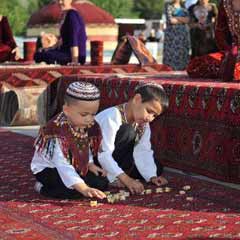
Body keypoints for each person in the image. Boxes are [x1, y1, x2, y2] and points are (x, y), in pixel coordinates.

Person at [31, 81, 107, 199]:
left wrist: (90, 164)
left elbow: (85, 146)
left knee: (101, 183)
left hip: (75, 166)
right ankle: (41, 187)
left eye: (93, 114)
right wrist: (84, 188)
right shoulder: (56, 130)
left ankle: (79, 185)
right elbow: (62, 164)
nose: (89, 119)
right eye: (84, 114)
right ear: (66, 110)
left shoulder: (89, 125)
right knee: (73, 191)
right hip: (50, 169)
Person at [95, 83, 169, 195]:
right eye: (149, 111)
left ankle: (120, 174)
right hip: (96, 162)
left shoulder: (143, 122)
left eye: (154, 116)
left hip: (119, 160)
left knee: (157, 168)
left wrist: (151, 176)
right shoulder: (111, 117)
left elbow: (143, 150)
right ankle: (113, 177)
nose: (150, 118)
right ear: (137, 99)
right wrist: (127, 180)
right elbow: (104, 154)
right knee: (127, 131)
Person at [187, 0, 240, 80]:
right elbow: (220, 31)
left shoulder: (213, 7)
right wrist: (227, 51)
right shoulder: (225, 3)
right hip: (235, 49)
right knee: (198, 65)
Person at [34, 0, 87, 65]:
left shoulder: (72, 15)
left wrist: (75, 61)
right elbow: (63, 39)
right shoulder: (65, 15)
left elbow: (74, 38)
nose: (60, 2)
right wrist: (49, 49)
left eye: (62, 0)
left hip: (74, 55)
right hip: (65, 52)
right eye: (58, 0)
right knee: (39, 54)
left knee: (41, 56)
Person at [163, 0, 191, 70]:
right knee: (172, 52)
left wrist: (177, 18)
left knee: (183, 52)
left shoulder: (184, 6)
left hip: (183, 34)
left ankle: (182, 69)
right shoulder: (168, 6)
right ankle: (170, 70)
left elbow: (188, 20)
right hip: (172, 35)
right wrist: (182, 19)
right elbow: (171, 20)